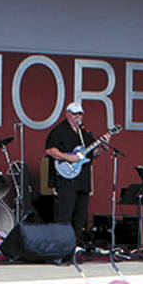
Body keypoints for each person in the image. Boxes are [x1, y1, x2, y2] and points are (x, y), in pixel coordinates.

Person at [44, 101, 109, 241]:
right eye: (75, 114)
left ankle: (75, 245)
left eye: (80, 114)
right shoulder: (59, 131)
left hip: (82, 180)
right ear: (67, 114)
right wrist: (68, 157)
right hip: (66, 179)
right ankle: (62, 246)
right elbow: (50, 150)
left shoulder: (85, 133)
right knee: (65, 214)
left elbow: (93, 154)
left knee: (80, 215)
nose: (78, 116)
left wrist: (103, 146)